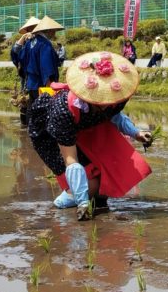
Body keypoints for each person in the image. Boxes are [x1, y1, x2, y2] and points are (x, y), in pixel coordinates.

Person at [28, 51, 153, 220]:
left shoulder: (112, 103)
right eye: (103, 101)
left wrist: (136, 132)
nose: (109, 103)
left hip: (87, 126)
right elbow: (71, 160)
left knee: (108, 171)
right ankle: (61, 205)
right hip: (49, 132)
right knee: (91, 182)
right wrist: (83, 203)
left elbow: (115, 116)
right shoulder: (62, 111)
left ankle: (97, 200)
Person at [24, 16, 64, 115]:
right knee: (42, 113)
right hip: (41, 84)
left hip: (31, 83)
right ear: (49, 30)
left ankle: (29, 129)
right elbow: (46, 65)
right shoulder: (45, 44)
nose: (54, 34)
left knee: (32, 110)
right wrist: (49, 84)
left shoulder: (31, 42)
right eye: (54, 31)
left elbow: (23, 58)